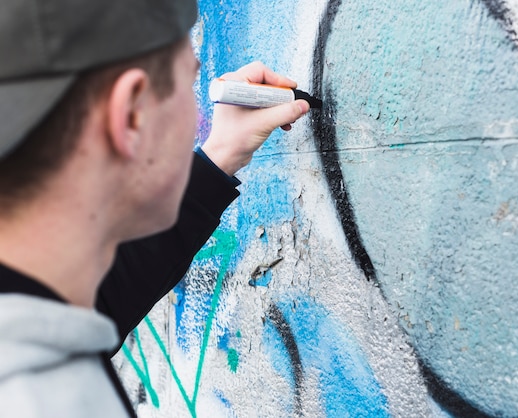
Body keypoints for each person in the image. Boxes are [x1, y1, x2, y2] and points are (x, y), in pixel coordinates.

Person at [0, 0, 310, 417]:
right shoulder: (49, 394)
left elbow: (104, 300)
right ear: (128, 116)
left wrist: (219, 155)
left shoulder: (30, 313)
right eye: (189, 81)